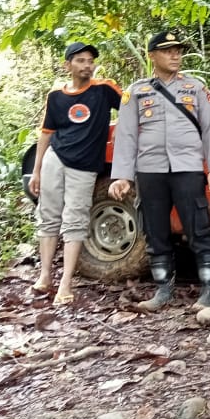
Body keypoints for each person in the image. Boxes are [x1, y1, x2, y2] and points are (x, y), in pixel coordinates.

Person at [108, 31, 210, 311]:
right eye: (168, 51)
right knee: (156, 233)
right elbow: (126, 136)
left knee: (198, 230)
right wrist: (123, 175)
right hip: (150, 171)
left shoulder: (196, 88)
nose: (175, 55)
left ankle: (207, 293)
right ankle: (163, 290)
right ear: (152, 56)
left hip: (187, 168)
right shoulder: (136, 91)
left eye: (178, 50)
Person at [29, 42, 122, 306]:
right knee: (48, 215)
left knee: (75, 220)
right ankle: (45, 275)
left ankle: (65, 284)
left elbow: (131, 108)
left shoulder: (104, 90)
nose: (87, 65)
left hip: (85, 164)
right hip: (55, 159)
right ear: (67, 65)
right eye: (80, 60)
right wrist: (36, 170)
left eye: (90, 61)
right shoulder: (56, 96)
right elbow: (47, 132)